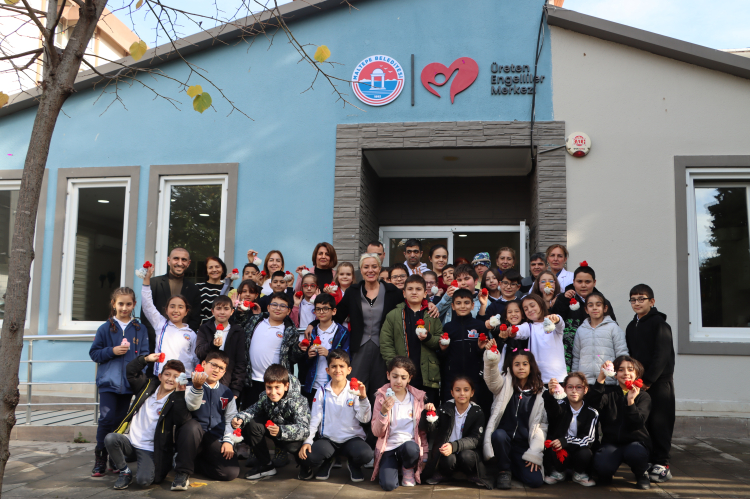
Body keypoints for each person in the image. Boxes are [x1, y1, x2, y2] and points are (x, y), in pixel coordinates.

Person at [104, 356, 189, 490]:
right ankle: (124, 471)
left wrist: (179, 394)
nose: (170, 379)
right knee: (110, 438)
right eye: (167, 374)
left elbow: (180, 419)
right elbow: (131, 371)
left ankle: (146, 465)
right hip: (130, 441)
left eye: (176, 377)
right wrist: (146, 359)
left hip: (149, 448)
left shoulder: (175, 398)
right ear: (160, 376)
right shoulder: (147, 387)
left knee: (144, 481)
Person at [89, 287, 150, 477]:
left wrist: (139, 375)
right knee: (106, 419)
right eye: (121, 304)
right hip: (109, 382)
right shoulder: (105, 328)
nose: (124, 308)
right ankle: (100, 456)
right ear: (113, 304)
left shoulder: (140, 329)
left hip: (128, 385)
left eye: (128, 304)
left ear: (134, 304)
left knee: (120, 421)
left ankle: (114, 458)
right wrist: (112, 351)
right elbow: (94, 353)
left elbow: (145, 355)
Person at [297, 349, 373, 482]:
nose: (338, 370)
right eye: (333, 366)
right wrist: (307, 441)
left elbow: (365, 419)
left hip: (352, 438)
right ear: (327, 370)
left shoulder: (354, 391)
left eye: (341, 366)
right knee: (307, 457)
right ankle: (329, 460)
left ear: (349, 370)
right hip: (328, 439)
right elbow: (314, 419)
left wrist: (363, 398)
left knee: (366, 454)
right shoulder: (322, 391)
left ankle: (353, 464)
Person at [625, 284, 675, 484]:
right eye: (633, 299)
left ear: (652, 301)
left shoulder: (660, 325)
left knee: (660, 422)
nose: (637, 303)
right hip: (639, 384)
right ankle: (649, 459)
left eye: (641, 299)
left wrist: (648, 380)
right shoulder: (631, 326)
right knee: (644, 422)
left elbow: (661, 355)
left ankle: (663, 463)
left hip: (659, 383)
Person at [232, 364, 311, 480]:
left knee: (294, 446)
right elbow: (253, 410)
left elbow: (305, 429)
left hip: (292, 438)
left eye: (277, 387)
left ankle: (305, 466)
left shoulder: (299, 401)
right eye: (269, 387)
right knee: (253, 424)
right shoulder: (264, 397)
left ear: (286, 386)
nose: (273, 392)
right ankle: (266, 465)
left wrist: (281, 431)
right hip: (274, 430)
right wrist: (240, 418)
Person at [174, 352, 240, 489]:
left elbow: (231, 418)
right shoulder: (190, 385)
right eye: (213, 365)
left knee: (230, 472)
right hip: (192, 437)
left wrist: (228, 441)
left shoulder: (227, 392)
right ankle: (182, 472)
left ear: (224, 372)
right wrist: (197, 387)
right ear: (203, 364)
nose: (216, 370)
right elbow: (191, 406)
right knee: (192, 427)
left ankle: (193, 463)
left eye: (221, 368)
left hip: (214, 438)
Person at [483, 348, 547, 490]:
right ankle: (504, 470)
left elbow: (541, 427)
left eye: (525, 364)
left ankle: (512, 465)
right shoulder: (504, 384)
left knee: (535, 481)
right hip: (503, 441)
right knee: (499, 435)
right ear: (511, 367)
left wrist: (534, 453)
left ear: (531, 366)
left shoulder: (540, 393)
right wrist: (491, 358)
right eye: (516, 364)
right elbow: (491, 378)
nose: (521, 367)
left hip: (523, 446)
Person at [586, 357, 652, 490]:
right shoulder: (609, 393)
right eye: (621, 370)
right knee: (603, 468)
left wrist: (631, 402)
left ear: (637, 374)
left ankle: (642, 473)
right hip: (611, 443)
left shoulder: (643, 396)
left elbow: (638, 423)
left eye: (630, 369)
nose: (626, 373)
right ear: (615, 375)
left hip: (635, 442)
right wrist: (601, 378)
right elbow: (593, 405)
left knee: (636, 453)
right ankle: (606, 473)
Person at [380, 274, 443, 404]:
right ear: (404, 293)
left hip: (427, 375)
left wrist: (428, 338)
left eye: (418, 289)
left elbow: (440, 341)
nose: (414, 292)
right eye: (410, 289)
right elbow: (386, 343)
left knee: (428, 412)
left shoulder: (432, 314)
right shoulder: (393, 315)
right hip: (401, 375)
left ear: (425, 293)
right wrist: (396, 366)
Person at [421, 376, 492, 489]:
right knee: (448, 459)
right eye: (457, 390)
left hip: (467, 452)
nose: (462, 393)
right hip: (447, 453)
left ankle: (470, 474)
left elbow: (475, 439)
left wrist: (453, 446)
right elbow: (430, 428)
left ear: (472, 393)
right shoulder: (445, 408)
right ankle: (445, 474)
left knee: (467, 457)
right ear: (452, 393)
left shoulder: (477, 412)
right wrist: (430, 413)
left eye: (466, 390)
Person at [371, 357, 429, 490]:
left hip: (409, 446)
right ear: (388, 375)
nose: (398, 381)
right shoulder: (381, 397)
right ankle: (394, 466)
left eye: (403, 378)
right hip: (388, 447)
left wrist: (425, 455)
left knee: (411, 448)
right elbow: (376, 432)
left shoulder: (416, 398)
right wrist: (383, 412)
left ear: (409, 378)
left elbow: (421, 432)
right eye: (395, 376)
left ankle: (407, 468)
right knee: (388, 485)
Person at [550, 262, 617, 370]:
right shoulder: (564, 299)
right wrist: (563, 300)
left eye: (587, 282)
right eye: (579, 281)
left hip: (595, 352)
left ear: (594, 282)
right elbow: (553, 324)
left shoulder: (603, 302)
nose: (583, 285)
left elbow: (612, 327)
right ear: (573, 282)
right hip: (568, 352)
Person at [439, 288, 493, 417]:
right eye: (458, 303)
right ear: (453, 306)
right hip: (452, 377)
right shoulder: (448, 327)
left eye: (466, 303)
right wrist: (443, 349)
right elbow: (443, 356)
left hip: (475, 377)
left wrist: (480, 348)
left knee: (475, 411)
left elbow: (486, 354)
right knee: (450, 412)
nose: (462, 306)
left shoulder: (479, 326)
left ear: (473, 305)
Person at [139, 247, 201, 361]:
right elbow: (146, 313)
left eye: (184, 260)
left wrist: (182, 338)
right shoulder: (154, 283)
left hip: (182, 348)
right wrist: (159, 336)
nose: (180, 263)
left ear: (188, 263)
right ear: (169, 260)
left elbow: (195, 319)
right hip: (155, 344)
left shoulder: (193, 289)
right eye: (176, 258)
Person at [241, 292, 299, 408]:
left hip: (274, 384)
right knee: (249, 414)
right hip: (251, 380)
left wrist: (300, 350)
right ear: (268, 307)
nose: (278, 308)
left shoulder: (291, 331)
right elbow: (238, 325)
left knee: (272, 416)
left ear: (288, 311)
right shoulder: (255, 321)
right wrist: (240, 312)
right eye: (274, 305)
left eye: (282, 306)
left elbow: (293, 358)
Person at [542, 372, 598, 487]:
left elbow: (588, 439)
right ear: (564, 389)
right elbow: (552, 409)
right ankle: (559, 472)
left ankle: (579, 473)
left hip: (578, 450)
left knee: (585, 453)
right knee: (554, 447)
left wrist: (565, 441)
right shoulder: (560, 406)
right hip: (561, 451)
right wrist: (549, 394)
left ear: (585, 390)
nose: (574, 391)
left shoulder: (592, 412)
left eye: (579, 387)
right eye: (570, 387)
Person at [292, 293, 350, 402]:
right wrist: (308, 356)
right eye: (318, 309)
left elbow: (347, 357)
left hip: (334, 383)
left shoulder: (342, 332)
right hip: (312, 384)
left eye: (325, 309)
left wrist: (329, 354)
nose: (321, 312)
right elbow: (302, 362)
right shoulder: (311, 332)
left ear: (334, 311)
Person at [195, 295, 247, 398]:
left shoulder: (238, 331)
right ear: (212, 311)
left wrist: (235, 389)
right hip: (205, 381)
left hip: (226, 383)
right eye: (218, 308)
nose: (222, 312)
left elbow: (240, 362)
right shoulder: (204, 328)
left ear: (232, 312)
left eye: (226, 309)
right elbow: (199, 352)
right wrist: (212, 345)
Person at [572, 291, 629, 385]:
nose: (594, 308)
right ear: (586, 309)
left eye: (598, 305)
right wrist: (575, 381)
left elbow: (622, 355)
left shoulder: (613, 328)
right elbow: (576, 358)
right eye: (590, 305)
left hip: (608, 381)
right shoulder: (581, 330)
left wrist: (620, 382)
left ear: (605, 308)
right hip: (585, 383)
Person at [513, 294, 566, 384]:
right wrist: (511, 331)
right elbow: (519, 331)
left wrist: (556, 318)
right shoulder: (529, 327)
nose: (530, 310)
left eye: (532, 305)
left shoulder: (554, 324)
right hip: (538, 379)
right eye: (526, 309)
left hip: (559, 376)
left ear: (541, 305)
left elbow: (560, 323)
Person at [196, 256, 229, 325]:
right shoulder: (198, 287)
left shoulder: (229, 289)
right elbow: (194, 311)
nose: (214, 270)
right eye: (210, 267)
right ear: (206, 271)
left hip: (223, 328)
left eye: (217, 267)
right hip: (202, 328)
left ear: (222, 270)